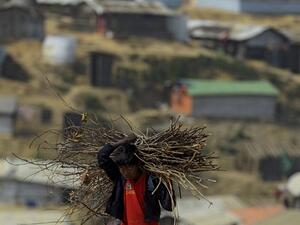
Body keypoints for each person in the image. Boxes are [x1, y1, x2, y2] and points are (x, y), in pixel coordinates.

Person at [97, 134, 175, 225]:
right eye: (122, 168)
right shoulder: (120, 179)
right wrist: (124, 142)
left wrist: (168, 180)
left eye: (129, 168)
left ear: (137, 164)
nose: (126, 172)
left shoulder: (151, 181)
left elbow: (169, 206)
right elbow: (102, 156)